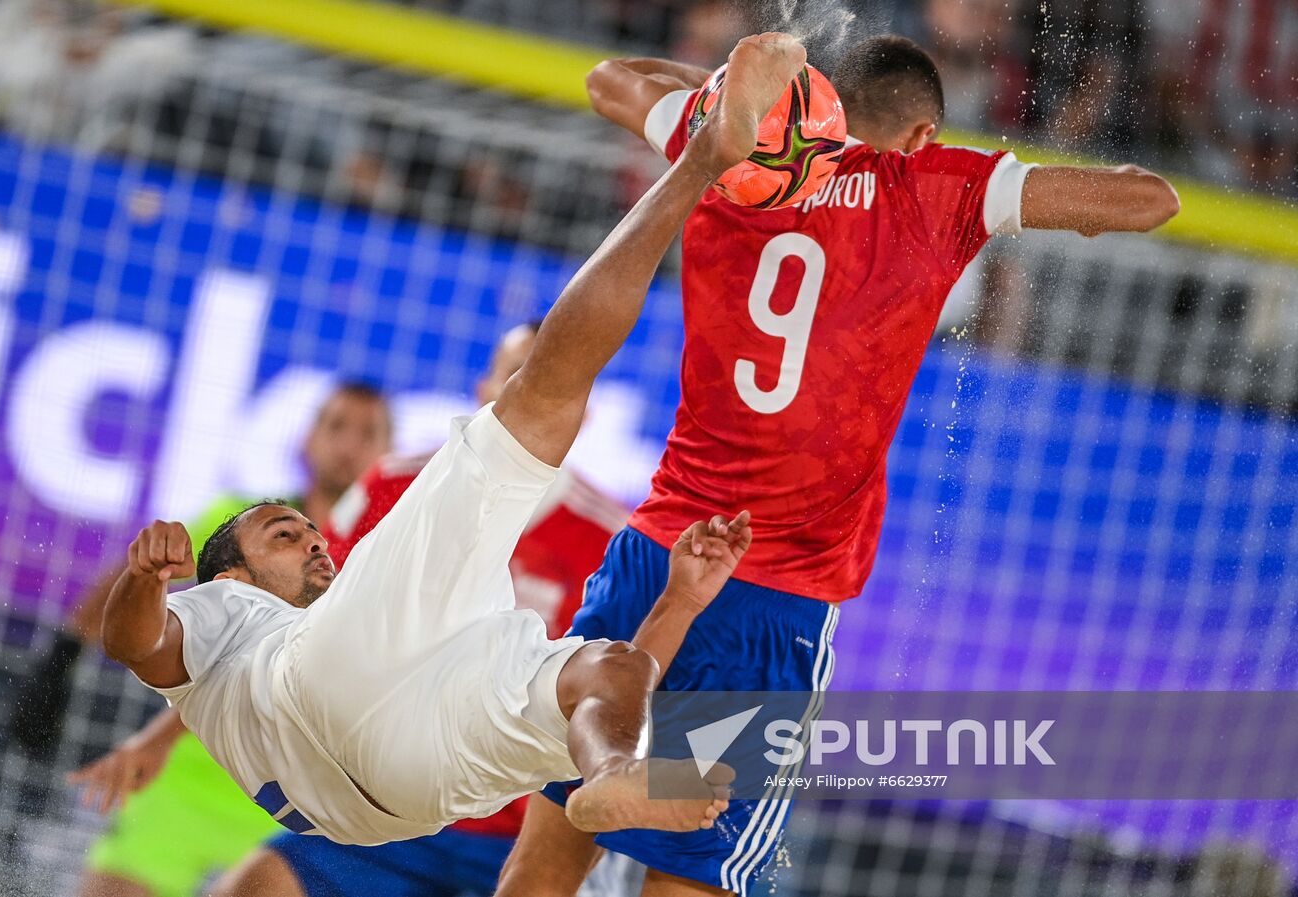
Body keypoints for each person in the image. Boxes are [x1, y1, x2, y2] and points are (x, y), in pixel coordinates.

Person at [495, 33, 1181, 897]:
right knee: (691, 876)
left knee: (544, 863)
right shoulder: (936, 187)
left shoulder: (735, 151)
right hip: (772, 602)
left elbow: (609, 80)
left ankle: (611, 782)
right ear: (923, 135)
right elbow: (1149, 200)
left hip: (655, 552)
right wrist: (989, 182)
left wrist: (739, 103)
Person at [97, 32, 807, 854]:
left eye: (305, 527)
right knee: (541, 398)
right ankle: (703, 161)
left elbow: (620, 688)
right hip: (340, 719)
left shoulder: (536, 548)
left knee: (606, 672)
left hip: (413, 789)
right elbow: (131, 640)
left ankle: (616, 772)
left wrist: (680, 600)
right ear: (230, 574)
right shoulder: (230, 614)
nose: (313, 537)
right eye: (283, 534)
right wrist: (145, 578)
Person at [74, 322, 635, 897]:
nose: (535, 380)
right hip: (373, 808)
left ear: (585, 409)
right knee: (256, 885)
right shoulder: (393, 485)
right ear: (483, 386)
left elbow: (629, 685)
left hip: (513, 819)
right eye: (515, 369)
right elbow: (274, 629)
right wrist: (164, 735)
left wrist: (682, 788)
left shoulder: (609, 538)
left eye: (552, 371)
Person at [15, 381, 390, 897]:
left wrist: (153, 737)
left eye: (368, 433)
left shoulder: (376, 555)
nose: (349, 444)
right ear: (307, 439)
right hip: (190, 776)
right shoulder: (242, 521)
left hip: (293, 804)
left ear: (386, 455)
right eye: (336, 426)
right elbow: (136, 573)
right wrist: (60, 658)